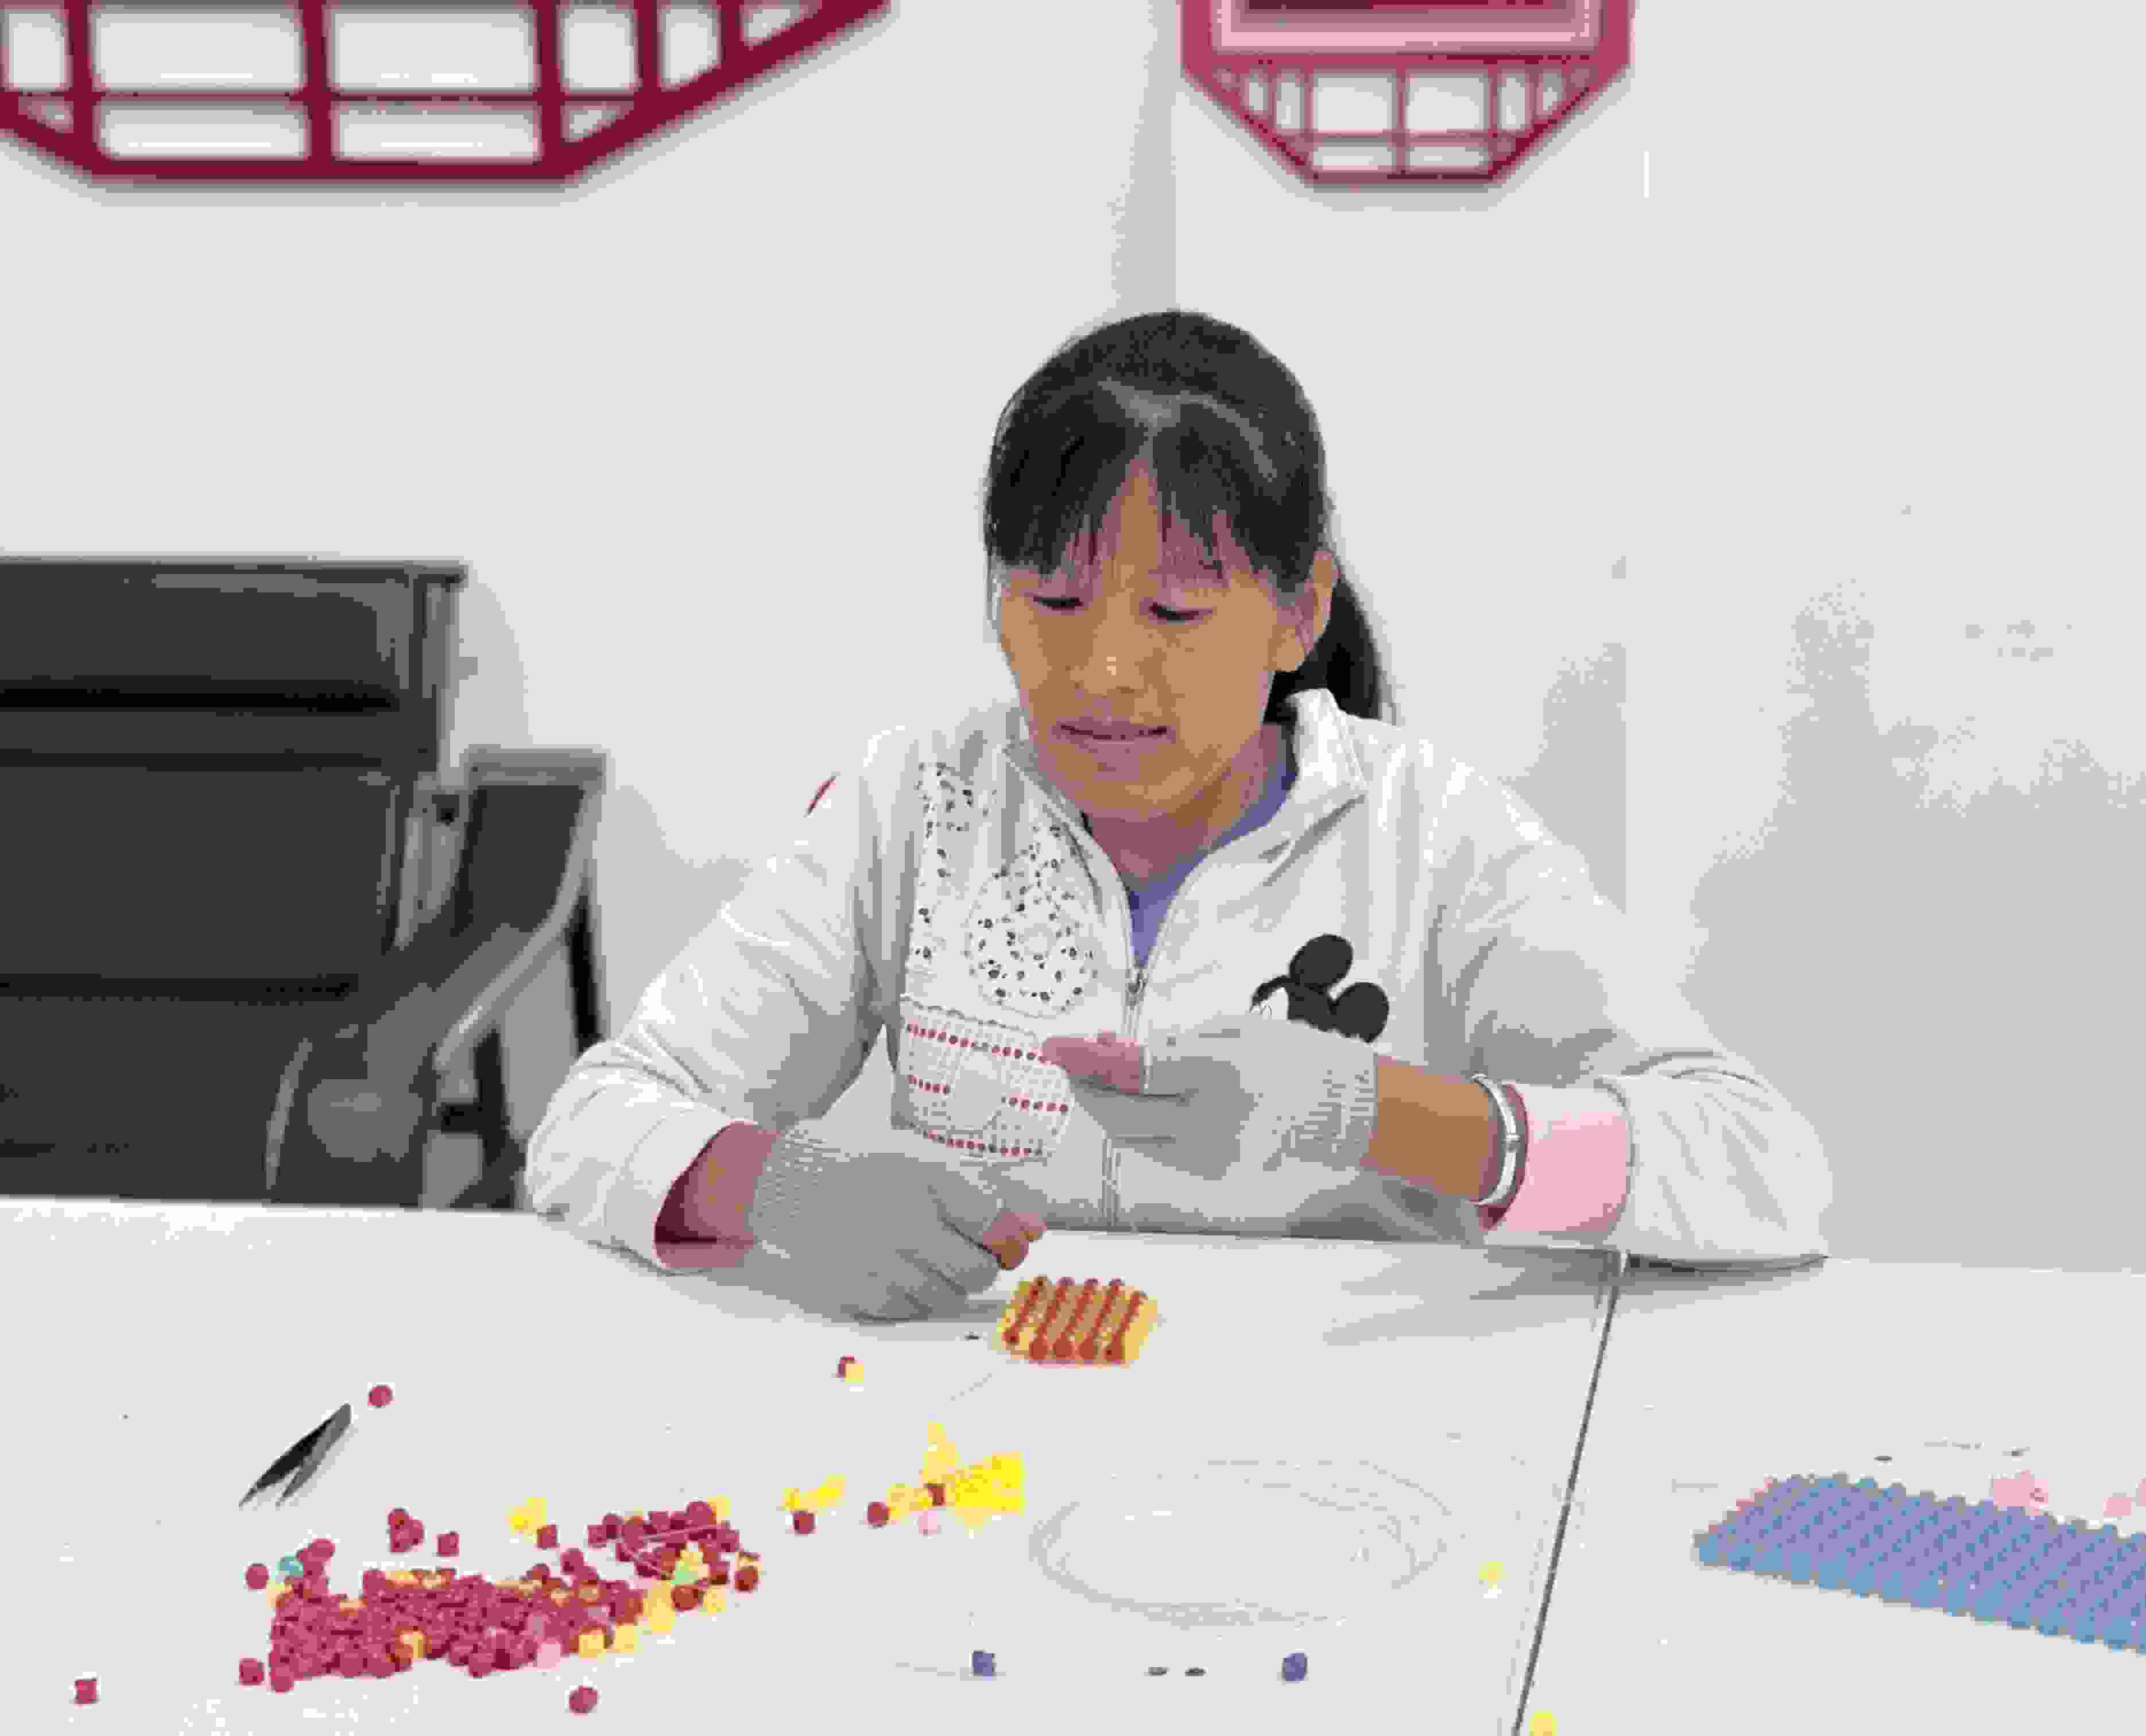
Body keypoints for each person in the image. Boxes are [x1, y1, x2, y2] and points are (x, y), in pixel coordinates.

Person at [526, 308, 1831, 1320]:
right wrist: (775, 1185)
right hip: (979, 1431)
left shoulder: (1434, 836)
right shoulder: (913, 809)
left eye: (1175, 613)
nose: (1102, 673)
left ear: (1297, 613)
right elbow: (591, 1122)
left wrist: (1381, 1114)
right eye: (1051, 600)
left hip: (1355, 1442)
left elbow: (1762, 1169)